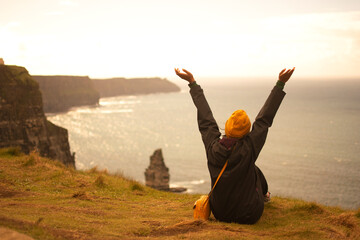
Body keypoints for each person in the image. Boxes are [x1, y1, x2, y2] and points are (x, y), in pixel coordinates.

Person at [175, 67, 295, 224]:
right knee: (252, 168)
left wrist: (193, 84)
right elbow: (264, 120)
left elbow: (206, 119)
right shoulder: (249, 147)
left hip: (220, 213)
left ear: (227, 127)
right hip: (249, 215)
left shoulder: (212, 147)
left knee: (252, 168)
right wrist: (280, 84)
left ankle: (263, 195)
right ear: (246, 132)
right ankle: (265, 195)